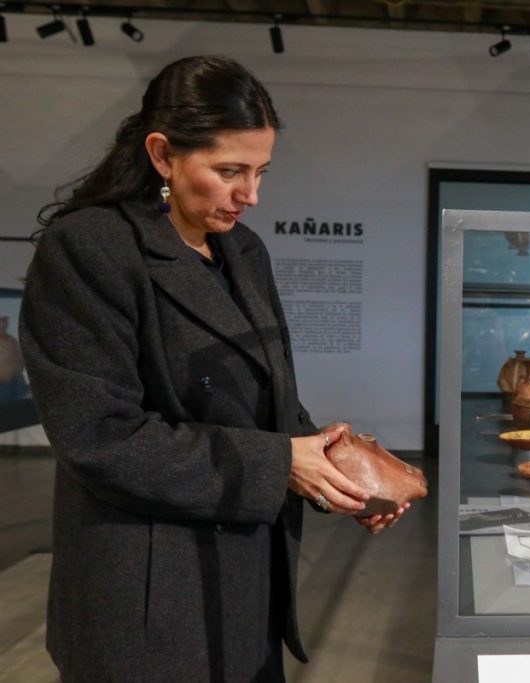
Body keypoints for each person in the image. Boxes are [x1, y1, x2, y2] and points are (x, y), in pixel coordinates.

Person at [20, 56, 406, 683]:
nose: (251, 195)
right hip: (147, 591)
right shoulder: (90, 249)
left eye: (260, 172)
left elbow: (266, 399)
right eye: (230, 171)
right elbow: (99, 436)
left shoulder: (243, 250)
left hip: (245, 577)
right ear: (162, 153)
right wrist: (282, 463)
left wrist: (335, 471)